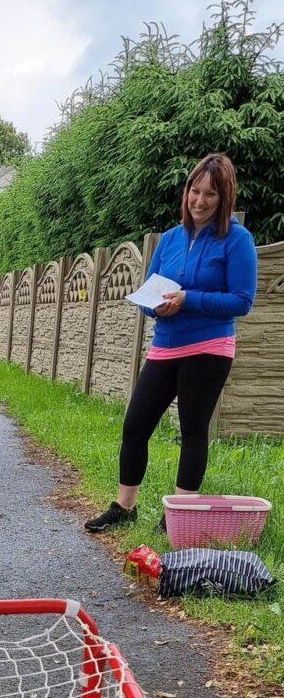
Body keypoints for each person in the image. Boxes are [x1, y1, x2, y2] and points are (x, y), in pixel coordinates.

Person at [85, 153, 257, 533]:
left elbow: (242, 300)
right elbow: (151, 291)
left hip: (209, 347)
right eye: (194, 191)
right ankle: (124, 507)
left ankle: (179, 516)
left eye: (210, 194)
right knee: (135, 425)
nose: (199, 201)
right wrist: (155, 309)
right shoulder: (170, 240)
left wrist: (188, 299)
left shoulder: (237, 240)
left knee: (192, 430)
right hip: (165, 344)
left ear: (224, 197)